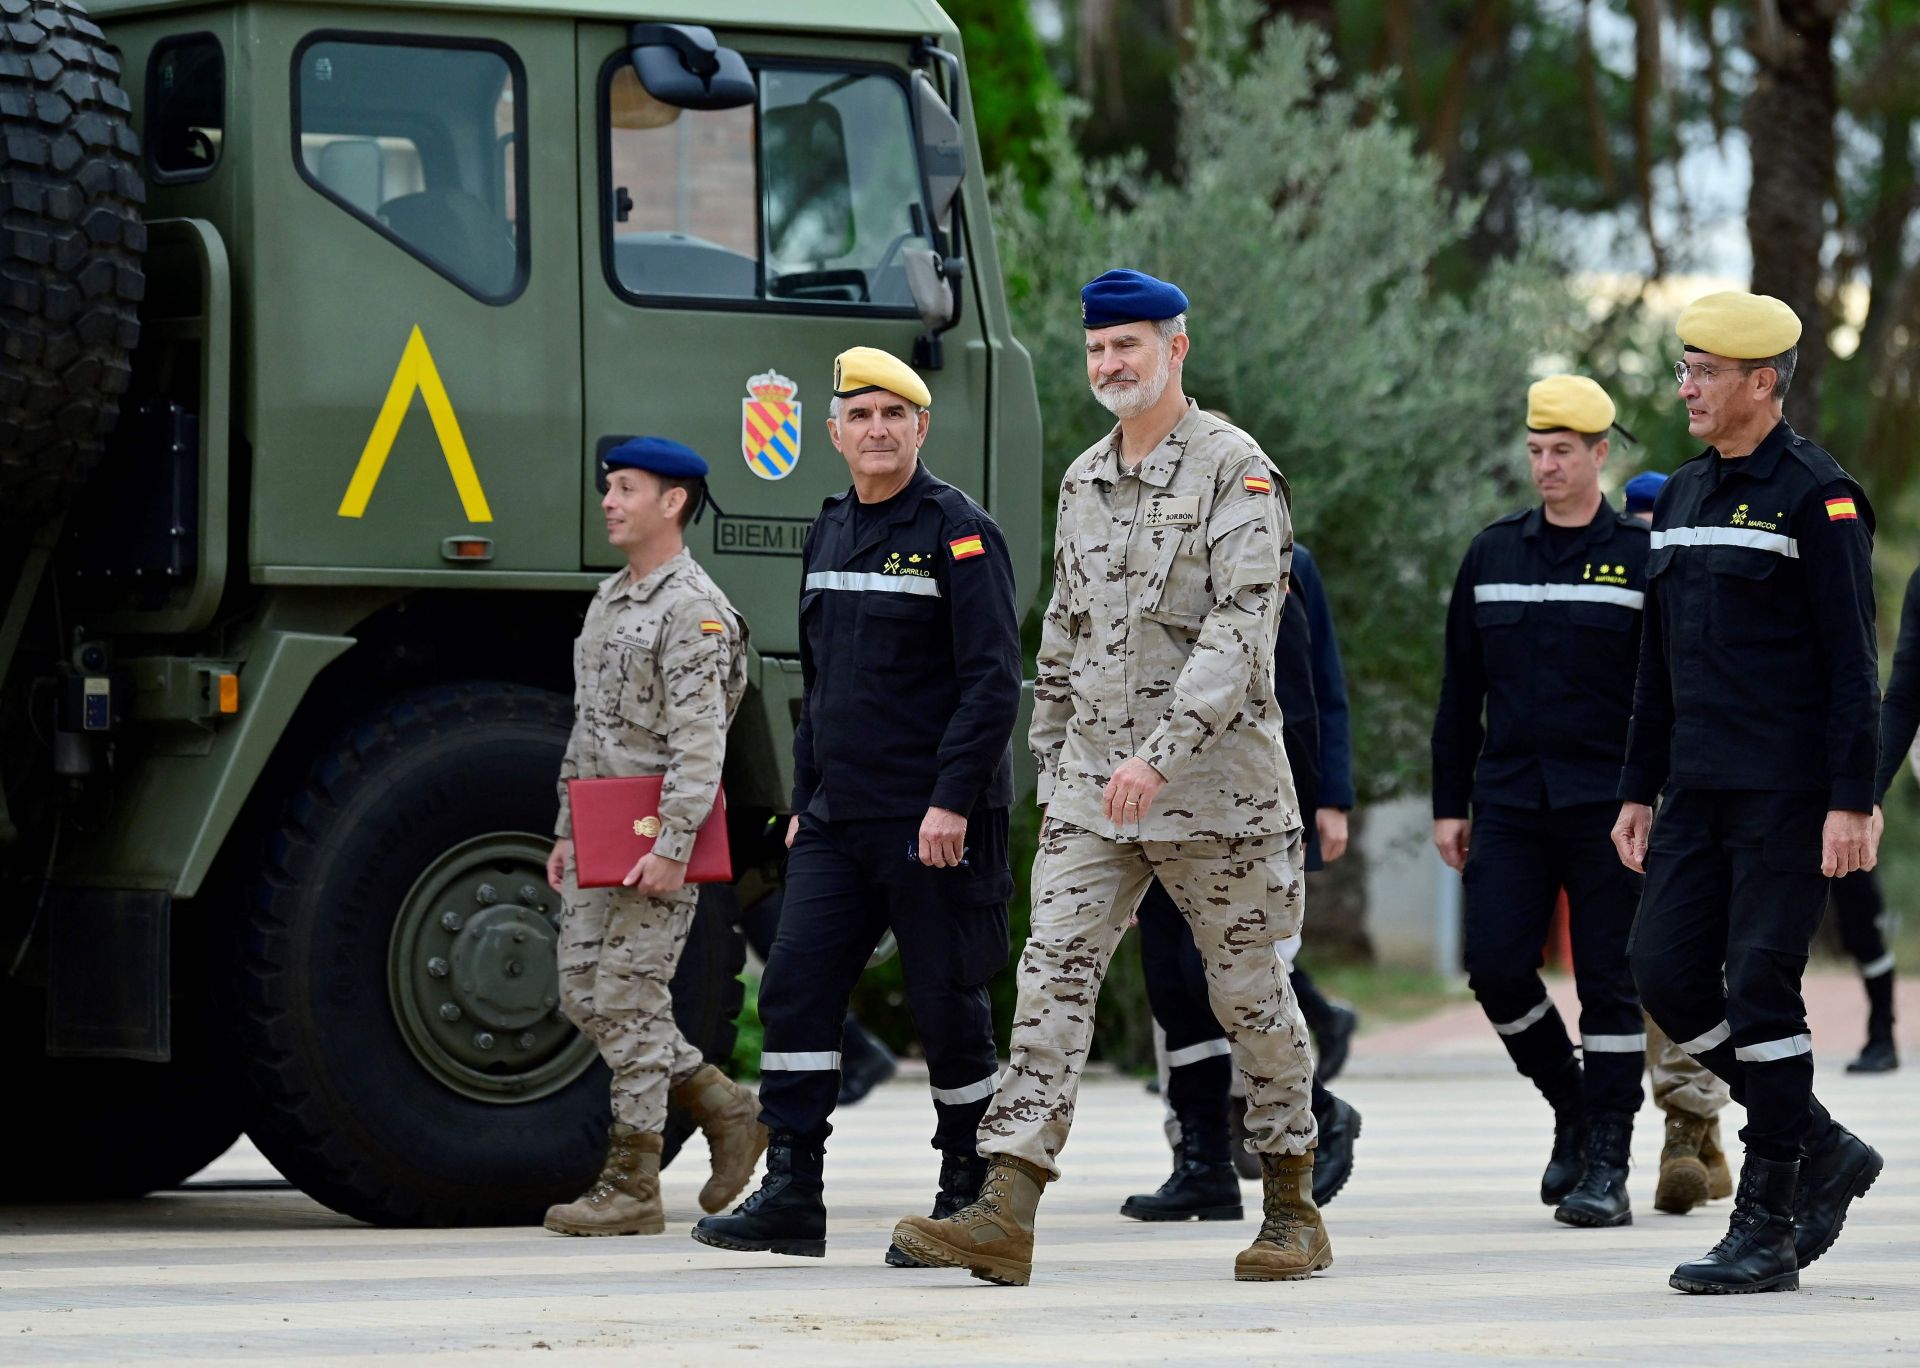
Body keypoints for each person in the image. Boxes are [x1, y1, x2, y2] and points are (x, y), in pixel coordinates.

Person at [891, 268, 1330, 1287]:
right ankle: (1006, 1203)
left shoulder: (1236, 471)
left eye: (1126, 346)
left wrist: (1158, 754)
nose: (1108, 365)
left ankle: (1291, 1201)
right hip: (1095, 790)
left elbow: (1240, 629)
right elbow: (1067, 628)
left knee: (1251, 998)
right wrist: (1054, 757)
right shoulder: (1085, 476)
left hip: (1216, 792)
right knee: (1050, 978)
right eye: (1095, 350)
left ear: (1176, 348)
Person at [691, 346, 1022, 1265]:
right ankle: (794, 1192)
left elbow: (993, 684)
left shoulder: (959, 532)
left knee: (948, 1004)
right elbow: (818, 677)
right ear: (834, 432)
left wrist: (952, 801)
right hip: (839, 821)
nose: (878, 430)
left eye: (895, 415)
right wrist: (805, 801)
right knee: (796, 987)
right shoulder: (831, 526)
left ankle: (966, 1190)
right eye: (861, 415)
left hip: (934, 823)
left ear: (922, 428)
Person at [1614, 290, 1884, 1294]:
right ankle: (1817, 1138)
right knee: (1666, 972)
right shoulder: (1680, 495)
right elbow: (1656, 663)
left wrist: (1852, 799)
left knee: (1762, 990)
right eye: (1683, 368)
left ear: (1761, 382)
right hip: (1695, 790)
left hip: (1787, 793)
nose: (1684, 387)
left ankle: (1768, 1219)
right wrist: (1638, 786)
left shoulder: (1818, 495)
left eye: (1704, 372)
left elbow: (1853, 662)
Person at [1432, 375, 1654, 1229]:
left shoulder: (1640, 561)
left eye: (1563, 451)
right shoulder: (1493, 554)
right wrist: (1450, 803)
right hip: (1512, 801)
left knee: (1609, 982)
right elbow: (1459, 693)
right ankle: (1573, 1104)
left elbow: (1659, 692)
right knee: (1493, 965)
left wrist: (1650, 794)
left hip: (1608, 804)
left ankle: (1609, 1162)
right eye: (1536, 451)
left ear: (1601, 454)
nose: (1546, 466)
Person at [542, 436, 763, 1236]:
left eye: (626, 488)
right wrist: (568, 830)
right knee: (582, 992)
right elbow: (586, 732)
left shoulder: (693, 610)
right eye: (609, 487)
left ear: (672, 503)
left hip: (656, 840)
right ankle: (726, 1105)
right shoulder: (611, 602)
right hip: (602, 836)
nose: (609, 500)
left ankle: (633, 1183)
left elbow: (701, 746)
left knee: (631, 998)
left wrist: (673, 845)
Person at [1125, 539, 1362, 1221]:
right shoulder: (1145, 553)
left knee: (1236, 980)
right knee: (1172, 984)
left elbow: (1314, 687)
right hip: (1164, 800)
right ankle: (1202, 1163)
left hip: (1251, 804)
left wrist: (1324, 800)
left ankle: (1320, 1114)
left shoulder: (1281, 560)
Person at [1622, 470, 1737, 1216]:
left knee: (1690, 962)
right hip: (1605, 793)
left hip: (1684, 792)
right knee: (1641, 969)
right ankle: (1689, 1127)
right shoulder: (1609, 575)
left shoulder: (1699, 581)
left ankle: (1688, 1128)